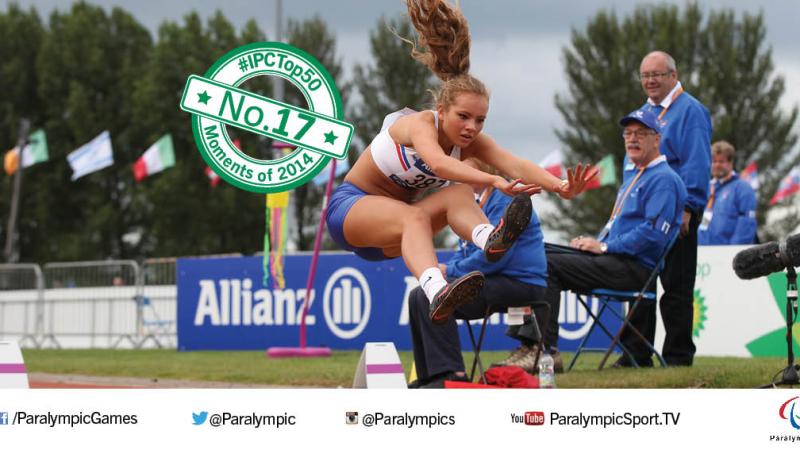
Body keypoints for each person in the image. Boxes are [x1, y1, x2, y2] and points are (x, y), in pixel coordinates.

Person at [326, 0, 594, 324]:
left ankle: (489, 240)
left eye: (480, 120)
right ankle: (438, 291)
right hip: (351, 213)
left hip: (395, 239)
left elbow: (514, 163)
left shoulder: (471, 143)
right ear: (441, 110)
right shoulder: (418, 125)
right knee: (421, 212)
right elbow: (438, 164)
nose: (472, 127)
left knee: (458, 194)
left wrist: (560, 186)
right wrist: (492, 181)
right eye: (463, 117)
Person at [523, 109, 686, 371]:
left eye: (640, 134)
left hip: (635, 269)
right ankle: (526, 344)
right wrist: (594, 242)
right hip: (616, 260)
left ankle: (544, 350)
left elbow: (653, 235)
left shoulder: (664, 179)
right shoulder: (637, 173)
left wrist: (604, 246)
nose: (632, 139)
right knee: (529, 253)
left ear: (656, 139)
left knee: (546, 264)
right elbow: (620, 226)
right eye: (628, 133)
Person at [407, 158, 548, 388]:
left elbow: (495, 257)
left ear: (485, 170)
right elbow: (464, 251)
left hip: (521, 283)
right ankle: (429, 377)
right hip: (496, 279)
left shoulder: (504, 199)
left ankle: (451, 375)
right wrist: (444, 270)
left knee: (430, 297)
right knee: (419, 294)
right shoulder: (472, 202)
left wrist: (449, 271)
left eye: (466, 168)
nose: (459, 173)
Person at [617, 51, 712, 367]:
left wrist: (688, 207)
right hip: (641, 213)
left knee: (676, 287)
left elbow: (697, 162)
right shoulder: (641, 113)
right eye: (645, 75)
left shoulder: (690, 111)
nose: (650, 81)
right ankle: (635, 353)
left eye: (657, 74)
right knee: (639, 284)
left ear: (674, 75)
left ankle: (678, 356)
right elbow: (631, 164)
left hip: (677, 212)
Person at [697, 141, 757, 245]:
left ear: (730, 163)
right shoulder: (707, 188)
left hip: (729, 254)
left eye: (721, 161)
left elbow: (746, 223)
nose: (716, 165)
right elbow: (703, 221)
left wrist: (731, 252)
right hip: (704, 254)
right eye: (714, 161)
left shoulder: (742, 188)